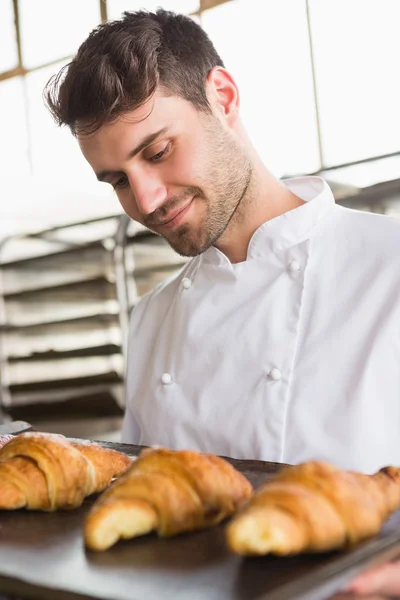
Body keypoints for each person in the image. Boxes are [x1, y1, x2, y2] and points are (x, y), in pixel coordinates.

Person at [45, 9, 400, 596]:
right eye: (117, 180)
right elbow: (140, 502)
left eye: (157, 151)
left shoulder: (389, 267)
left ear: (224, 96)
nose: (146, 199)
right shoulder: (152, 319)